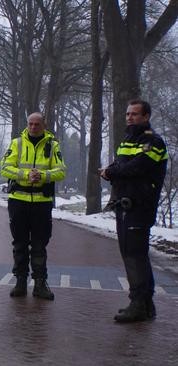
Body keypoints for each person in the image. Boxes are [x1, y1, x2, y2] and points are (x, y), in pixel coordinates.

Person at [99, 99, 167, 323]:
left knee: (134, 256)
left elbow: (137, 167)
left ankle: (139, 303)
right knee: (131, 253)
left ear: (146, 116)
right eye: (128, 114)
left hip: (140, 206)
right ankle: (145, 305)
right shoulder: (128, 140)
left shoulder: (153, 142)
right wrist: (112, 171)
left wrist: (111, 172)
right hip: (125, 205)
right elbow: (120, 165)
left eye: (135, 114)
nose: (129, 118)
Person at [0, 112, 66, 300]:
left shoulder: (52, 145)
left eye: (37, 124)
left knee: (39, 245)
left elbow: (61, 171)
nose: (33, 127)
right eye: (30, 124)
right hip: (18, 201)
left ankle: (40, 284)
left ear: (44, 125)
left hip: (41, 203)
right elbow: (4, 167)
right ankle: (20, 282)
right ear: (27, 124)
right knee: (19, 243)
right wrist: (26, 174)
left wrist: (43, 176)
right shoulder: (17, 143)